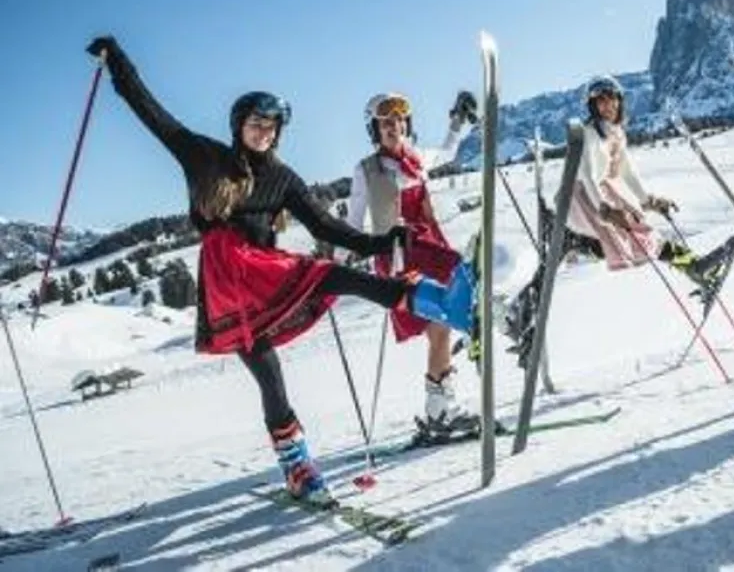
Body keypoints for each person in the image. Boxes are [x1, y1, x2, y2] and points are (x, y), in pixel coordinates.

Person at [86, 35, 474, 505]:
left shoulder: (283, 177)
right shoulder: (205, 156)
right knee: (288, 336)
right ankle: (299, 467)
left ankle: (428, 301)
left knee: (304, 309)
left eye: (272, 126)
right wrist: (120, 66)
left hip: (263, 276)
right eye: (257, 123)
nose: (265, 131)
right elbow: (155, 117)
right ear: (239, 126)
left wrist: (381, 239)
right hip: (230, 279)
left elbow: (325, 224)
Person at [342, 90, 478, 434]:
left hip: (432, 247)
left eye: (399, 120)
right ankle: (440, 410)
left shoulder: (416, 158)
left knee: (442, 324)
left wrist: (459, 121)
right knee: (439, 323)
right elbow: (355, 222)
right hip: (401, 256)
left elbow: (447, 150)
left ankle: (439, 410)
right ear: (375, 129)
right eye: (385, 122)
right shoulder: (366, 171)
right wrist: (336, 257)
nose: (394, 126)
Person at [565, 75, 734, 293]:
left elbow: (626, 172)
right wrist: (605, 210)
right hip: (587, 198)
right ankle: (695, 267)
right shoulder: (590, 134)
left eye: (611, 98)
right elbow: (587, 174)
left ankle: (695, 268)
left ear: (619, 101)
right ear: (593, 106)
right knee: (638, 236)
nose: (608, 105)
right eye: (600, 101)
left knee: (635, 237)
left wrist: (649, 200)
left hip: (605, 197)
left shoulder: (615, 133)